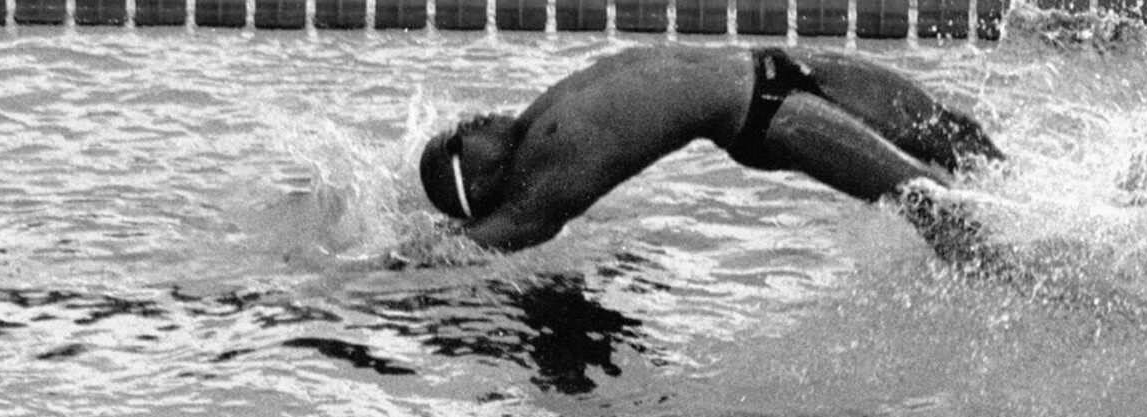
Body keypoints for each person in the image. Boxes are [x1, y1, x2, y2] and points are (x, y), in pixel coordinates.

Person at [416, 44, 1001, 257]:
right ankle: (1029, 272)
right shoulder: (543, 180)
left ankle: (1038, 201)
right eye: (456, 140)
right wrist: (400, 258)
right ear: (478, 176)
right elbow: (508, 232)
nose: (463, 122)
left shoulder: (533, 124)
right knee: (928, 201)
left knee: (954, 133)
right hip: (769, 117)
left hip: (770, 63)